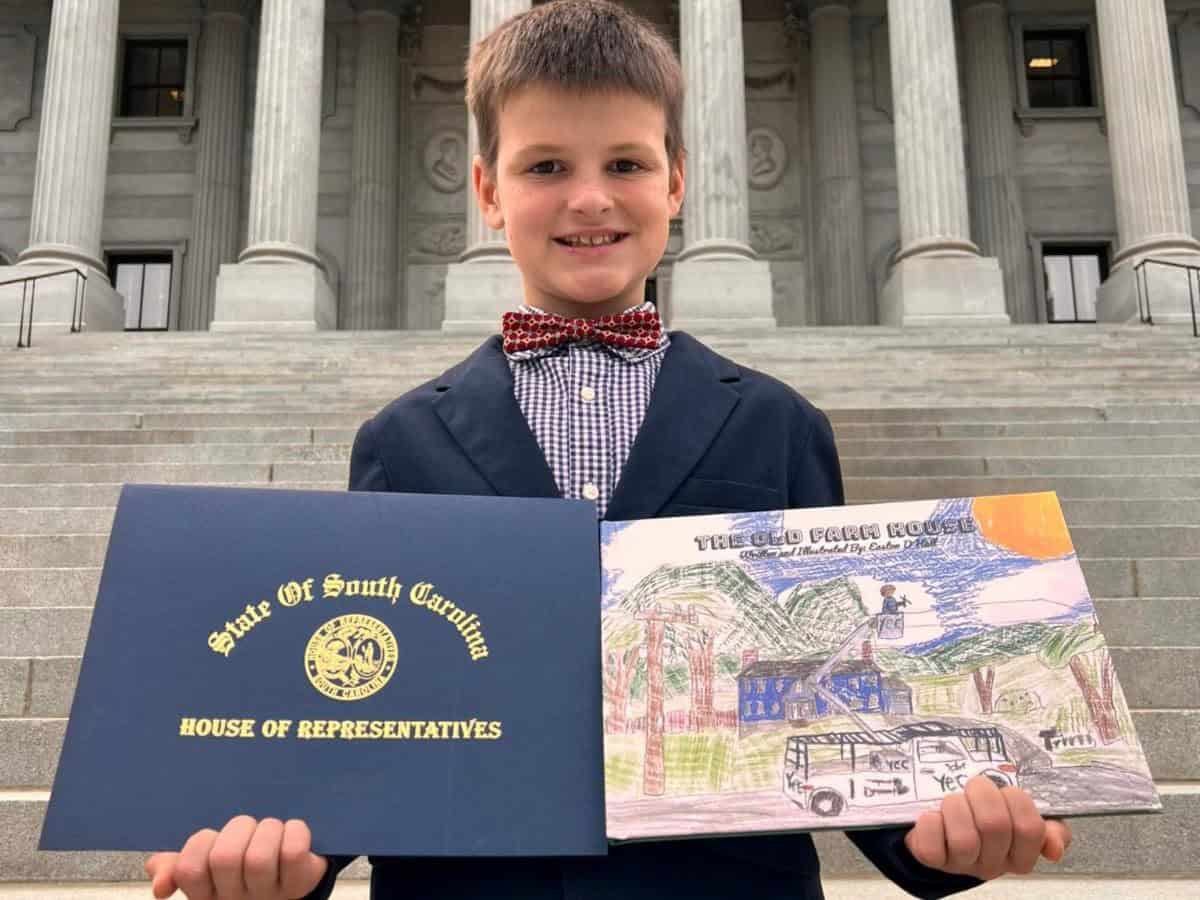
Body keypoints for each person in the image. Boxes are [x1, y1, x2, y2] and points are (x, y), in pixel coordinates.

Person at [145, 2, 1072, 897]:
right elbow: (371, 703)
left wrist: (945, 841)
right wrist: (292, 863)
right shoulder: (399, 441)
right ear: (486, 191)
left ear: (675, 180)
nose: (589, 198)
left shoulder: (781, 425)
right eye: (545, 164)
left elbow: (832, 687)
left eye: (624, 163)